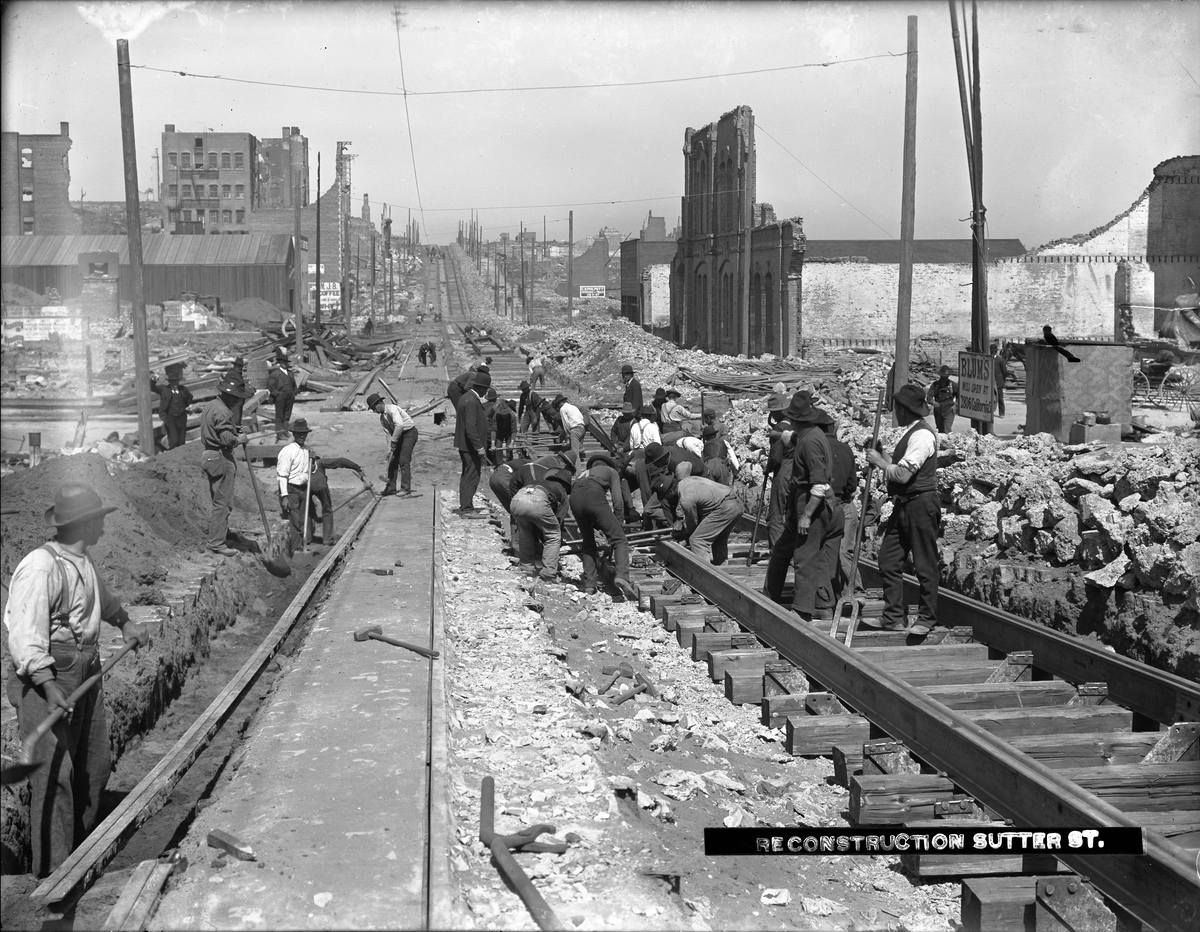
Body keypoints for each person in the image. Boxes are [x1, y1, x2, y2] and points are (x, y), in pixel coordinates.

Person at [3, 484, 151, 877]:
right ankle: (53, 873)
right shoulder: (41, 566)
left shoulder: (81, 561)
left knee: (94, 763)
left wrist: (125, 622)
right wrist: (48, 685)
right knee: (55, 776)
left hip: (86, 669)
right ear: (87, 523)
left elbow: (101, 597)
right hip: (48, 676)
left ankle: (81, 853)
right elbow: (25, 634)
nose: (104, 523)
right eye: (99, 517)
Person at [862, 384, 940, 637]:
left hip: (920, 504)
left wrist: (879, 462)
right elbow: (897, 465)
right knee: (889, 559)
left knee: (924, 565)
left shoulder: (922, 436)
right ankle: (894, 616)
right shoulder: (910, 432)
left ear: (905, 410)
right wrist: (882, 452)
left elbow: (904, 474)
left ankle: (927, 619)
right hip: (904, 504)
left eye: (898, 407)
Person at [763, 391, 843, 622]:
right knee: (782, 551)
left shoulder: (810, 442)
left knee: (805, 557)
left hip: (810, 504)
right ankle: (771, 597)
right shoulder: (810, 434)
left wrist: (807, 515)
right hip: (799, 502)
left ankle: (802, 610)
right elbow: (792, 437)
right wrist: (784, 435)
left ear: (796, 419)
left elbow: (818, 483)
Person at [570, 453, 636, 599]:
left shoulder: (582, 474)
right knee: (619, 540)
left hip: (574, 499)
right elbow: (618, 501)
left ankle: (589, 585)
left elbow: (581, 500)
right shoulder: (611, 472)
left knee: (588, 543)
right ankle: (622, 577)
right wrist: (617, 524)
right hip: (593, 496)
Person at [199, 376, 252, 556]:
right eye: (236, 396)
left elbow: (217, 429)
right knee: (223, 502)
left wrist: (235, 429)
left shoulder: (211, 405)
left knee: (219, 499)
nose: (238, 400)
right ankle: (216, 543)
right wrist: (239, 439)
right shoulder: (223, 412)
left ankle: (222, 534)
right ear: (227, 395)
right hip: (220, 456)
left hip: (209, 455)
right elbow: (226, 439)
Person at [816, 409, 862, 602]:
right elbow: (853, 484)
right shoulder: (845, 448)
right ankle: (856, 591)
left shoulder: (814, 447)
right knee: (845, 551)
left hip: (821, 505)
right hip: (845, 504)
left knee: (821, 550)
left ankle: (827, 595)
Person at [656, 473, 745, 565]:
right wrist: (680, 520)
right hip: (736, 504)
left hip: (725, 508)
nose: (666, 499)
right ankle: (722, 569)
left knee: (697, 541)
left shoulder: (686, 499)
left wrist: (686, 535)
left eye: (665, 496)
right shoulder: (686, 481)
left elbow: (693, 523)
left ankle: (707, 574)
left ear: (670, 491)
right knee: (719, 540)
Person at [510, 468, 572, 580]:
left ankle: (526, 567)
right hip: (537, 500)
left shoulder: (539, 481)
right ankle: (548, 573)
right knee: (553, 536)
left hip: (517, 499)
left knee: (525, 534)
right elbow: (558, 521)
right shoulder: (561, 490)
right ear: (566, 486)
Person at [306, 453, 367, 545]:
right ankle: (327, 540)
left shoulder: (299, 464)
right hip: (321, 486)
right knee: (327, 511)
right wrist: (358, 468)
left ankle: (307, 538)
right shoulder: (320, 462)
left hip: (306, 486)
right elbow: (341, 461)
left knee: (307, 511)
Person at [367, 392, 419, 497]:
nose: (374, 411)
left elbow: (399, 425)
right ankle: (390, 487)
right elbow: (388, 435)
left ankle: (405, 488)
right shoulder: (382, 418)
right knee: (393, 460)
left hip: (409, 433)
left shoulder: (392, 409)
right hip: (398, 435)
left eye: (374, 408)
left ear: (379, 404)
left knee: (403, 460)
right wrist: (389, 449)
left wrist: (394, 441)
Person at [454, 370, 490, 517]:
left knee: (467, 475)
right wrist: (479, 446)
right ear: (481, 388)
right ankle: (467, 509)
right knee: (471, 476)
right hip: (470, 447)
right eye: (486, 389)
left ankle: (466, 506)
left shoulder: (466, 398)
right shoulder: (471, 401)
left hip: (466, 446)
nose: (486, 392)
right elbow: (471, 427)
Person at [277, 418, 314, 554]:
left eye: (304, 433)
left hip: (303, 488)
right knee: (295, 520)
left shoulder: (307, 451)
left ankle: (304, 545)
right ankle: (296, 549)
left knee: (304, 519)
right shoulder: (287, 452)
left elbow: (309, 470)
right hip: (291, 489)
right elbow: (282, 476)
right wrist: (284, 496)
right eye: (299, 434)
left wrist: (313, 462)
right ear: (294, 434)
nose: (302, 436)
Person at [763, 393, 793, 549]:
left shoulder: (780, 427)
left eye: (773, 411)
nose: (772, 414)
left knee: (776, 512)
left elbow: (775, 457)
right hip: (799, 469)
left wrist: (767, 469)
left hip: (785, 469)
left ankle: (777, 552)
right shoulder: (796, 425)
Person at [489, 455, 531, 553]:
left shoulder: (534, 465)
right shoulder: (537, 468)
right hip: (505, 477)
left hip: (495, 477)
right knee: (522, 509)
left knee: (515, 512)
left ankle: (517, 548)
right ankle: (525, 548)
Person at [149, 363, 193, 450]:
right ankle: (172, 455)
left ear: (178, 381)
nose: (174, 383)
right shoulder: (164, 389)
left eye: (176, 381)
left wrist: (185, 406)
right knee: (174, 440)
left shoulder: (183, 389)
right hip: (170, 418)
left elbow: (190, 397)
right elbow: (152, 387)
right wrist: (154, 378)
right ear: (169, 381)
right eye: (172, 381)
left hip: (182, 417)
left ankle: (181, 456)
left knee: (181, 440)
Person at [267, 346, 298, 442]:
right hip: (280, 396)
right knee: (279, 416)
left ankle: (285, 431)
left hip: (290, 396)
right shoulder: (275, 373)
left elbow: (294, 385)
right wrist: (277, 394)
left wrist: (293, 393)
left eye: (286, 363)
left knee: (287, 415)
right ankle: (280, 434)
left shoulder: (290, 373)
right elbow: (270, 386)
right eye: (283, 363)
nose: (284, 364)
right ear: (280, 363)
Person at [926, 365, 959, 434]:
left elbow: (959, 396)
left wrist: (955, 405)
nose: (944, 379)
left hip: (949, 409)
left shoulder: (953, 385)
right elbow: (929, 396)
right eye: (943, 377)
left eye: (946, 377)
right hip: (938, 409)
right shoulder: (935, 385)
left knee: (947, 429)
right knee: (939, 429)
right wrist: (933, 402)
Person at [554, 394, 587, 458]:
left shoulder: (563, 409)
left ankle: (577, 468)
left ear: (560, 403)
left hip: (574, 429)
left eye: (558, 405)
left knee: (574, 453)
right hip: (582, 428)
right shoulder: (573, 407)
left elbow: (566, 423)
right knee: (576, 446)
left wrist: (567, 436)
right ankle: (580, 447)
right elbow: (581, 417)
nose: (559, 406)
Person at [493, 396, 517, 465]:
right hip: (499, 432)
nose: (504, 416)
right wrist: (492, 444)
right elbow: (494, 430)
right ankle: (498, 465)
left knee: (509, 449)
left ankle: (509, 465)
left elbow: (514, 431)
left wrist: (512, 443)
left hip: (509, 432)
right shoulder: (496, 416)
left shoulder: (512, 416)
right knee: (497, 448)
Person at [991, 341, 1009, 418]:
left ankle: (1001, 413)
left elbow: (1004, 372)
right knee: (991, 398)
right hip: (991, 382)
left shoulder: (1000, 360)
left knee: (1000, 398)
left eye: (994, 352)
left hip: (998, 382)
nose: (993, 353)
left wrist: (1003, 380)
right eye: (992, 352)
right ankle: (991, 411)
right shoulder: (988, 359)